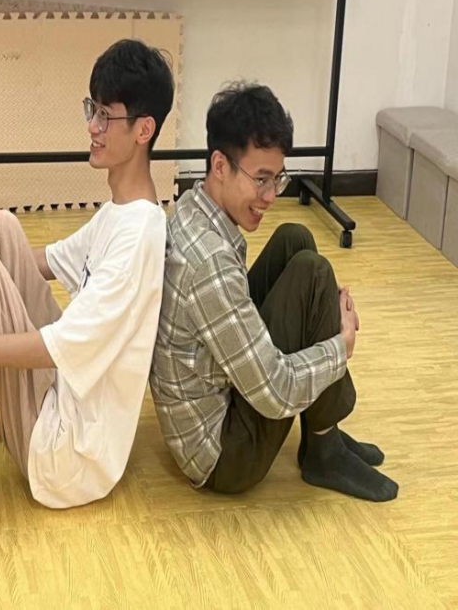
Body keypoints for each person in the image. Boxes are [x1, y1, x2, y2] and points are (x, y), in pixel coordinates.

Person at [0, 38, 175, 511]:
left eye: (105, 116)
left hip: (69, 454)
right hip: (62, 394)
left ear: (143, 129)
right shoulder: (124, 211)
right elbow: (47, 260)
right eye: (91, 110)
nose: (92, 127)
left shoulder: (138, 238)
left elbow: (54, 345)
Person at [150, 82, 398, 502]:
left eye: (277, 179)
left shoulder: (193, 205)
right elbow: (275, 392)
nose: (270, 196)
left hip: (218, 392)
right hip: (224, 456)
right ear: (219, 165)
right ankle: (323, 450)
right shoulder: (208, 264)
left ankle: (323, 436)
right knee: (312, 273)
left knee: (295, 239)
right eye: (261, 179)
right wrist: (340, 345)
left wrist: (319, 310)